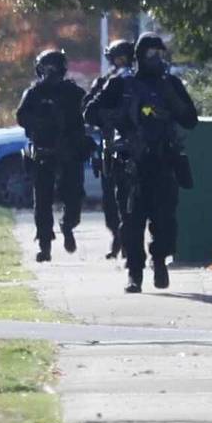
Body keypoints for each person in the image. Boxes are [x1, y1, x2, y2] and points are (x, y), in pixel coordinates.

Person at [83, 33, 198, 293]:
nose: (156, 59)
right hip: (130, 165)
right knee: (132, 222)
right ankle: (135, 272)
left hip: (162, 161)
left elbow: (190, 120)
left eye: (160, 53)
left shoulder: (170, 84)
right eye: (150, 54)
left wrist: (173, 101)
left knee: (165, 221)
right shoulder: (120, 85)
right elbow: (90, 112)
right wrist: (117, 118)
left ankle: (160, 260)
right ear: (139, 56)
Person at [16, 49, 89, 262]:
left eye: (54, 68)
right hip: (43, 151)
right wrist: (40, 124)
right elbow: (21, 117)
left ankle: (68, 225)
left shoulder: (74, 93)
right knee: (42, 201)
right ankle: (44, 244)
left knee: (74, 197)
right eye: (46, 68)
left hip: (69, 152)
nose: (50, 73)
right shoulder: (33, 94)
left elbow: (86, 116)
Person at [84, 39, 135, 259]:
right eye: (117, 58)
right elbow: (88, 109)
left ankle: (131, 239)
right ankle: (118, 235)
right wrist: (107, 118)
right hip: (111, 146)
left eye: (124, 57)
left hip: (137, 146)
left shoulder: (138, 81)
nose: (120, 62)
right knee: (111, 198)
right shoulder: (106, 82)